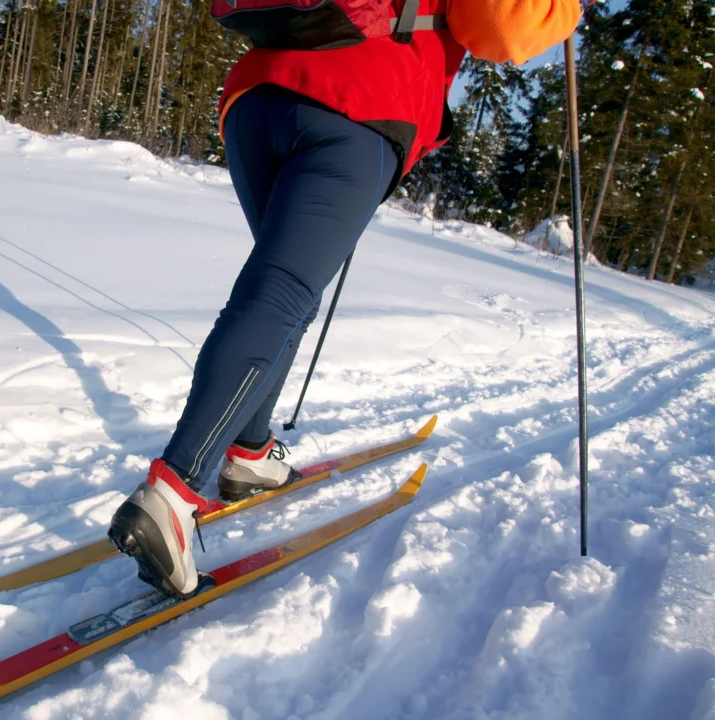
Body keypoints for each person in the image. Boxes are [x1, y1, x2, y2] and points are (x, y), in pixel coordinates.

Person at [109, 0, 587, 598]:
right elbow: (498, 24)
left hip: (257, 96)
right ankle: (172, 491)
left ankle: (250, 452)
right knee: (283, 291)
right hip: (358, 105)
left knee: (284, 292)